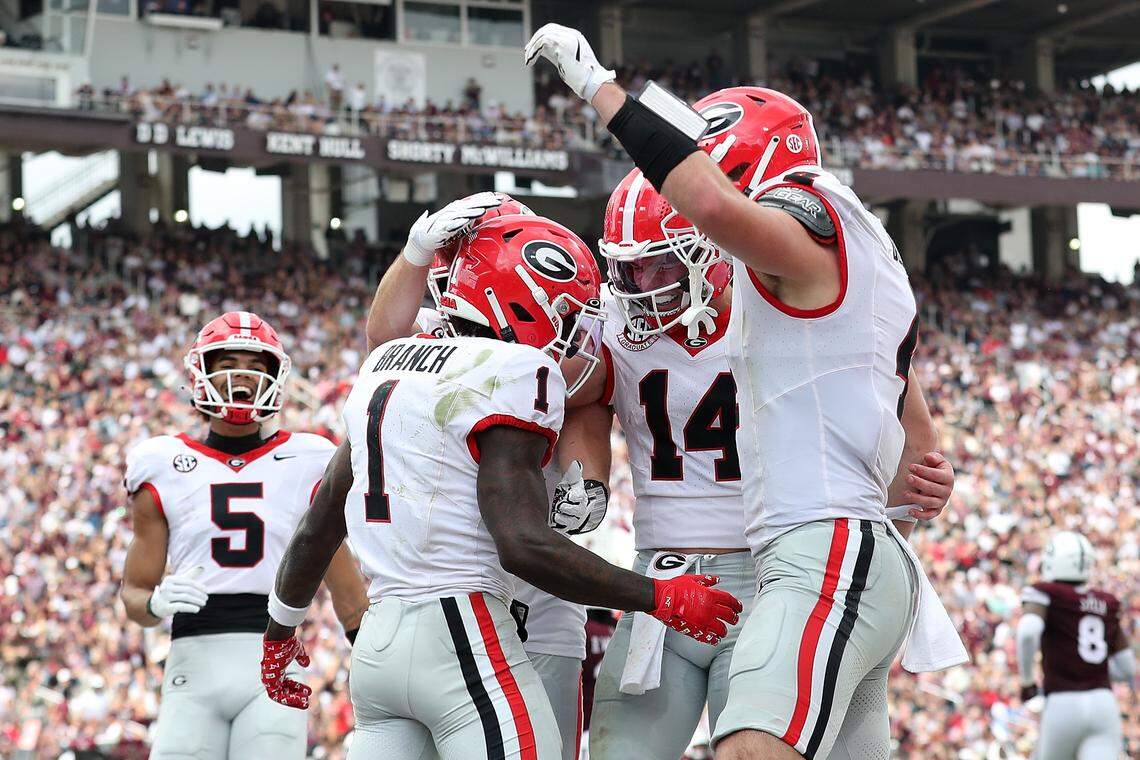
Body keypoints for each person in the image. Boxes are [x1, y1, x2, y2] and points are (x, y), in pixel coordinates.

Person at [526, 25, 967, 760]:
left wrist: (602, 90)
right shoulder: (671, 316)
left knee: (756, 743)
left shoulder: (793, 255)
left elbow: (727, 214)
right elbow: (586, 397)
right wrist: (588, 475)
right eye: (628, 274)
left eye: (657, 269)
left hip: (783, 561)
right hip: (672, 567)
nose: (639, 291)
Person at [257, 215, 742, 760]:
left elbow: (318, 524)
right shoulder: (514, 369)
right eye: (565, 312)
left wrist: (280, 628)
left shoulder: (383, 367)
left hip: (380, 645)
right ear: (524, 302)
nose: (575, 329)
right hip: (468, 631)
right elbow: (522, 544)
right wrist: (658, 597)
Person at [363, 190, 604, 760]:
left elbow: (589, 395)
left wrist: (588, 478)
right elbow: (381, 337)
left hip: (537, 586)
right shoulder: (424, 341)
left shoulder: (549, 350)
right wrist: (414, 255)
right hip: (458, 587)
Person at [120, 311, 369, 759]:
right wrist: (154, 602)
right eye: (228, 361)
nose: (243, 375)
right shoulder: (160, 462)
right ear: (202, 372)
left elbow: (347, 593)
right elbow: (135, 596)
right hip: (193, 660)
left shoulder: (309, 458)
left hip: (276, 657)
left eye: (256, 365)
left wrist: (378, 663)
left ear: (274, 376)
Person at [1017, 530, 1134, 759]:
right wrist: (1091, 670)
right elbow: (1127, 668)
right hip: (1103, 703)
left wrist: (1027, 681)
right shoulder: (1107, 601)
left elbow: (1028, 633)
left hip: (1062, 701)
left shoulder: (1046, 592)